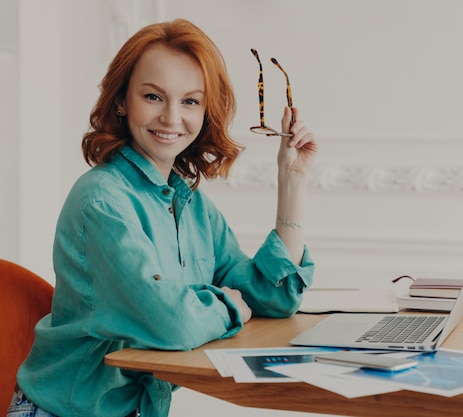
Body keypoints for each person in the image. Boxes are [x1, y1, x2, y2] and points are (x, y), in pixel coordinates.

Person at [8, 18, 317, 417]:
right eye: (153, 96)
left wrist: (293, 181)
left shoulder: (192, 205)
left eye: (190, 101)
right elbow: (172, 324)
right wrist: (228, 306)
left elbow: (272, 296)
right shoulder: (101, 201)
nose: (172, 118)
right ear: (122, 100)